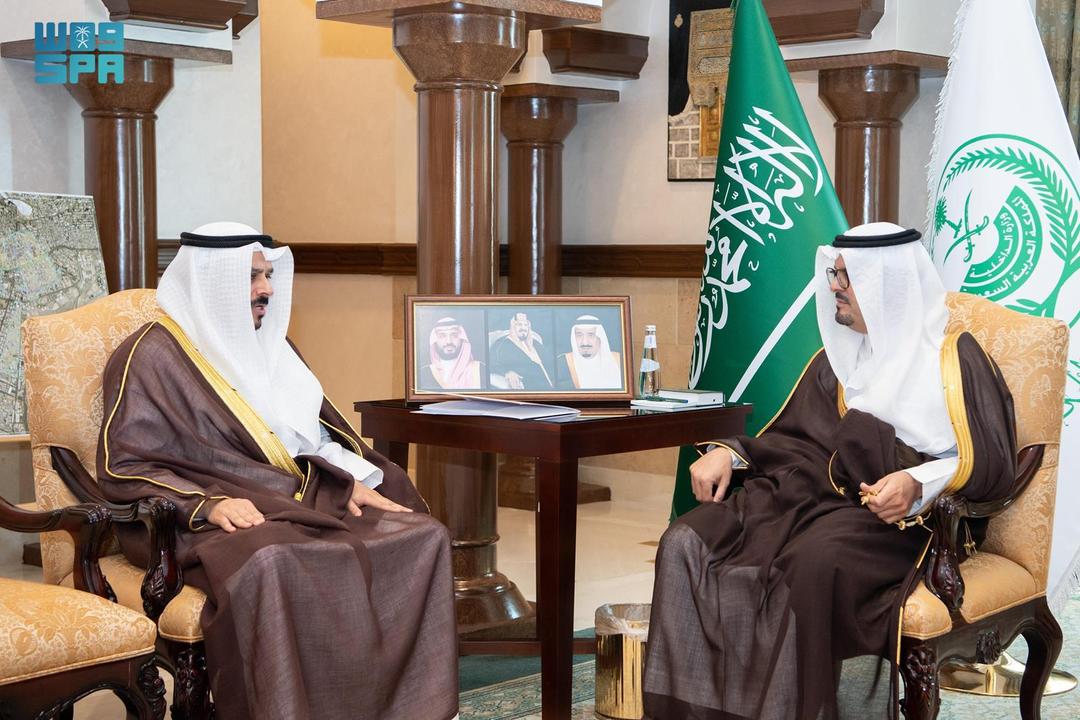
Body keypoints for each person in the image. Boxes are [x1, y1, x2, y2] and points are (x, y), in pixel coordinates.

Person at [642, 223, 1017, 720]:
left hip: (902, 523)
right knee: (685, 541)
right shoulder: (835, 362)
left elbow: (991, 460)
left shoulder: (953, 360)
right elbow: (793, 443)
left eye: (848, 276)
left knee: (809, 566)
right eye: (834, 275)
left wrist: (917, 483)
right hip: (806, 498)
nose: (835, 286)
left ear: (890, 284)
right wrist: (729, 454)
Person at [97, 222, 458, 720]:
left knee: (422, 537)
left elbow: (315, 436)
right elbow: (125, 464)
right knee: (273, 561)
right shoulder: (150, 356)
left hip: (298, 493)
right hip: (199, 515)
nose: (266, 288)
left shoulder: (274, 344)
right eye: (251, 277)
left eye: (267, 275)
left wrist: (351, 479)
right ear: (212, 282)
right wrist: (207, 505)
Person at [555, 315, 623, 390]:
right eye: (579, 335)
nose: (585, 342)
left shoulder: (619, 360)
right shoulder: (562, 363)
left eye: (591, 335)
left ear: (600, 337)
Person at [488, 312, 554, 390]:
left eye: (525, 325)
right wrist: (507, 372)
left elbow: (550, 362)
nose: (523, 328)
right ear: (513, 327)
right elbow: (492, 364)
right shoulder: (504, 345)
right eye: (519, 324)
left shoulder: (536, 343)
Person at [420, 317, 483, 390]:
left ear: (462, 339)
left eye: (454, 335)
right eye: (442, 336)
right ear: (434, 341)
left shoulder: (480, 369)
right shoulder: (424, 373)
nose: (449, 341)